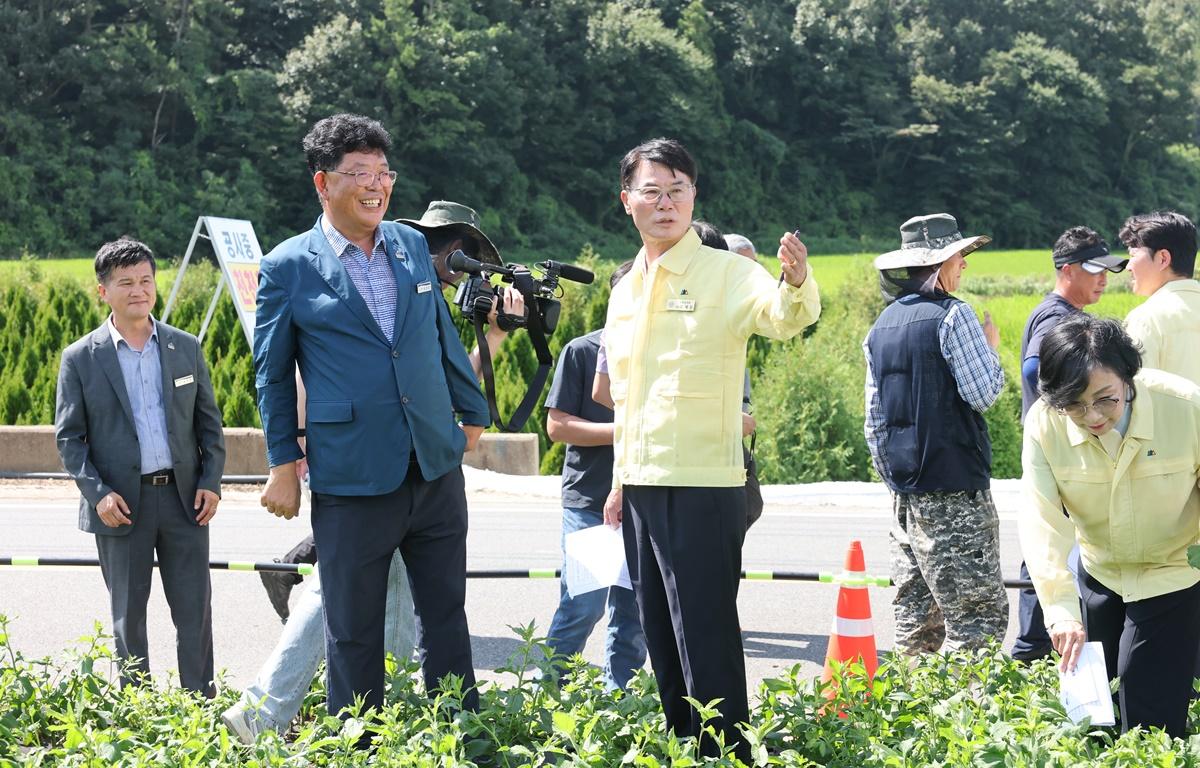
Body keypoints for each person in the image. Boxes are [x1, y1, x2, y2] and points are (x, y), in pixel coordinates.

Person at [226, 200, 521, 742]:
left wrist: (474, 416)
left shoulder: (406, 249)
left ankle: (463, 740)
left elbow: (440, 339)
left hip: (433, 467)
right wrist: (282, 463)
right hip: (352, 470)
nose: (375, 184)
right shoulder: (288, 264)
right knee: (351, 629)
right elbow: (271, 375)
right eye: (359, 172)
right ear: (324, 181)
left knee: (447, 621)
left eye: (383, 173)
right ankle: (356, 746)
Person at [598, 137, 820, 760]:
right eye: (652, 191)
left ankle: (727, 755)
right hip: (640, 483)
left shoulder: (728, 273)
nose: (666, 203)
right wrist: (618, 481)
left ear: (694, 197)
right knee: (661, 639)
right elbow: (628, 398)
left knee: (706, 638)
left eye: (678, 190)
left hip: (704, 485)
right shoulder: (626, 290)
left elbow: (783, 316)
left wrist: (796, 280)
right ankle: (684, 749)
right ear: (628, 201)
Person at [257, 200, 519, 622]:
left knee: (381, 604)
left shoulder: (409, 274)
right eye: (463, 261)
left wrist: (491, 344)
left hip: (416, 461)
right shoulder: (352, 271)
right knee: (343, 606)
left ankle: (292, 566)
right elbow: (296, 373)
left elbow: (437, 374)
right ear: (449, 249)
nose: (465, 277)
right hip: (353, 453)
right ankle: (287, 669)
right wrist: (296, 448)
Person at [54, 237, 225, 695]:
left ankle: (200, 708)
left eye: (146, 280)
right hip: (120, 506)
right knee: (128, 618)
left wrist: (211, 481)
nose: (138, 290)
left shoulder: (184, 348)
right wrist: (98, 493)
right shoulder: (80, 359)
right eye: (125, 282)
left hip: (184, 501)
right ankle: (140, 713)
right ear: (102, 291)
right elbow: (69, 439)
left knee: (194, 612)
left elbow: (209, 426)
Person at [1021, 315, 1200, 738]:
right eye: (1075, 405)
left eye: (1106, 399)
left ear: (1128, 377)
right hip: (1099, 572)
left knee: (1148, 716)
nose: (1093, 415)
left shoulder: (1186, 407)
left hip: (1171, 572)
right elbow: (1041, 519)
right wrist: (1061, 612)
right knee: (1093, 718)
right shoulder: (1046, 423)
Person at [863, 213, 1009, 655]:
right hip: (955, 486)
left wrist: (895, 481)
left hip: (904, 491)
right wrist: (988, 349)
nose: (964, 264)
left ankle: (915, 715)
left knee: (916, 619)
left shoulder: (881, 325)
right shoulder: (954, 315)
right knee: (976, 619)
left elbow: (873, 420)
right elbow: (983, 393)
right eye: (959, 256)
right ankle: (964, 719)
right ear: (939, 264)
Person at [1012, 226, 1127, 662]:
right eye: (1095, 270)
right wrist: (1071, 403)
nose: (1103, 279)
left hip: (1065, 452)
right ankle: (1033, 650)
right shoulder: (1058, 318)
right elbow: (1032, 370)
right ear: (1067, 270)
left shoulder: (1062, 312)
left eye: (1109, 270)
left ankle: (1035, 648)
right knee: (1051, 545)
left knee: (1050, 542)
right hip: (1060, 453)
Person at [543, 262, 646, 691]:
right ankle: (544, 691)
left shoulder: (660, 355)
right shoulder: (583, 351)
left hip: (646, 497)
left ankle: (617, 701)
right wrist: (624, 430)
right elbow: (557, 426)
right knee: (582, 604)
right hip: (589, 499)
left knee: (633, 612)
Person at [1120, 211, 1200, 383]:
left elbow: (1138, 395)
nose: (1128, 266)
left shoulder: (1147, 320)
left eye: (1133, 255)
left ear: (1163, 259)